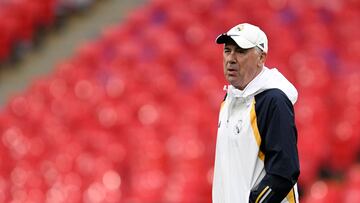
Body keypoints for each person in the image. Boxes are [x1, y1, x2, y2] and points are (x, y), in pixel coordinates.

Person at [212, 23, 300, 203]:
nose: (231, 58)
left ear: (261, 58)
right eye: (227, 51)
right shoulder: (229, 99)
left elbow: (285, 171)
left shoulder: (273, 101)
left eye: (241, 52)